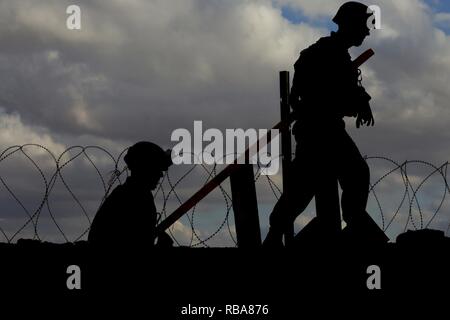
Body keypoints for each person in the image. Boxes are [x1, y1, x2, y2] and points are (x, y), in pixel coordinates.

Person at [263, 1, 388, 247]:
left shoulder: (333, 54)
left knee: (313, 184)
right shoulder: (324, 54)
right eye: (364, 25)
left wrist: (360, 100)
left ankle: (277, 235)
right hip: (320, 130)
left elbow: (346, 91)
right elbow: (312, 94)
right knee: (311, 185)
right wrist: (354, 101)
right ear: (350, 24)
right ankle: (277, 235)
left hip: (324, 128)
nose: (367, 31)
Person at [88, 141, 173, 248]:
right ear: (145, 169)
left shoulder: (131, 194)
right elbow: (134, 246)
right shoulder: (133, 198)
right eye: (157, 169)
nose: (161, 175)